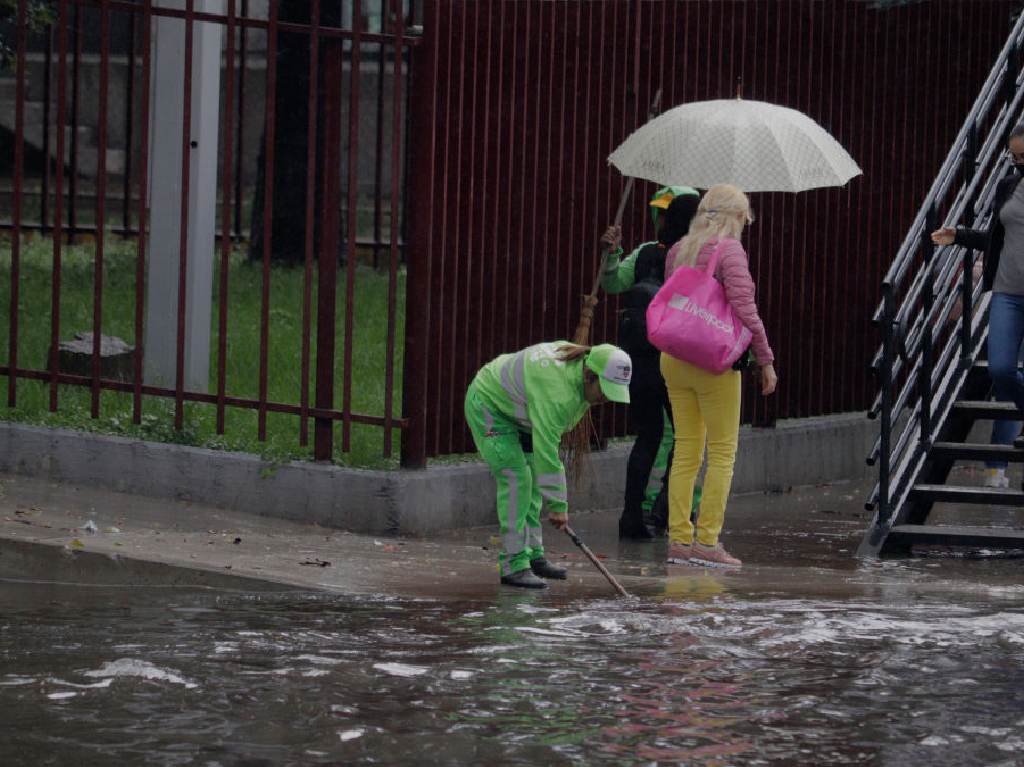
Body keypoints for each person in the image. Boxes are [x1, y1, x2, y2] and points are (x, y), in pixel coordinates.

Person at [661, 184, 777, 568]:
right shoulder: (730, 251)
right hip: (713, 361)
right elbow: (745, 308)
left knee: (687, 450)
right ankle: (707, 543)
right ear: (737, 217)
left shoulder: (680, 249)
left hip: (674, 357)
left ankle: (679, 540)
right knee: (723, 453)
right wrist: (765, 358)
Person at [464, 341, 633, 588]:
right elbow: (547, 451)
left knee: (531, 479)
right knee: (517, 480)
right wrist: (557, 504)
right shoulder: (557, 392)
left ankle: (533, 555)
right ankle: (513, 564)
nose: (606, 398)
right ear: (589, 375)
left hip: (520, 412)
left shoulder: (579, 375)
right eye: (605, 389)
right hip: (490, 407)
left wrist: (555, 500)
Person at [600, 187, 701, 540]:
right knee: (690, 436)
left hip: (638, 359)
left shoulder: (644, 254)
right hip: (675, 360)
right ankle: (666, 509)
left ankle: (632, 517)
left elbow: (612, 283)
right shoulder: (697, 256)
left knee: (649, 436)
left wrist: (613, 256)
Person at [932, 123, 1024, 475]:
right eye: (1013, 157)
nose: (1018, 163)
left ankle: (998, 466)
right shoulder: (1008, 187)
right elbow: (998, 238)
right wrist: (960, 235)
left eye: (1023, 156)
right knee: (1001, 369)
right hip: (1006, 292)